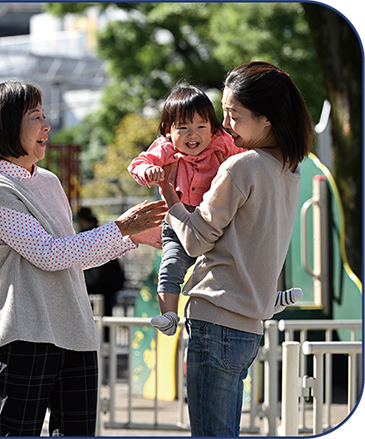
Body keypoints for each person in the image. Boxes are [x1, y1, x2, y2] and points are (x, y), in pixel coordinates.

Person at [0, 81, 167, 437]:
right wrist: (121, 227)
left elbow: (70, 255)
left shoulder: (49, 182)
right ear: (6, 124)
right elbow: (50, 254)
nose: (46, 125)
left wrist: (131, 236)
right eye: (35, 117)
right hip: (25, 334)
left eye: (44, 116)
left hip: (75, 332)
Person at [153, 62, 314, 436]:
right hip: (250, 323)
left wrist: (170, 197)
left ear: (267, 119)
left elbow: (193, 241)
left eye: (234, 115)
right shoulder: (290, 168)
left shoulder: (242, 167)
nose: (225, 125)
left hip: (217, 316)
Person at [128, 83, 303, 336]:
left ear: (212, 127)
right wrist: (149, 172)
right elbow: (139, 163)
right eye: (183, 128)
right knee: (171, 265)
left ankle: (267, 299)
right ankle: (169, 314)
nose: (193, 135)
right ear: (168, 131)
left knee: (244, 253)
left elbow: (250, 155)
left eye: (201, 127)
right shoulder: (165, 149)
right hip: (179, 220)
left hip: (210, 212)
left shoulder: (221, 143)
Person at [77, 206, 125, 321]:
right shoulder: (102, 234)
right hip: (107, 287)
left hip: (94, 287)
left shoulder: (81, 239)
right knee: (105, 321)